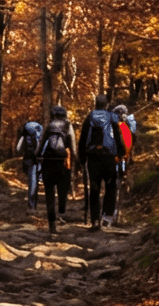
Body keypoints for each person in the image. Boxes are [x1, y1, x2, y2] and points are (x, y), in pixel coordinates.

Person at [78, 99, 120, 229]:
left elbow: (83, 137)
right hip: (109, 157)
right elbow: (117, 135)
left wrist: (81, 157)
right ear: (106, 105)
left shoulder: (89, 117)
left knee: (94, 188)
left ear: (95, 104)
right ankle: (107, 217)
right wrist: (121, 153)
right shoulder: (112, 117)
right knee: (111, 187)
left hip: (93, 157)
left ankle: (95, 220)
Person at [36, 106, 77, 233]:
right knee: (62, 190)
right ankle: (61, 213)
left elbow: (41, 144)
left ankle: (51, 223)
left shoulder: (48, 126)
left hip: (48, 161)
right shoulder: (68, 125)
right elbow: (73, 146)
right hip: (62, 162)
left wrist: (37, 156)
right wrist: (76, 159)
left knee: (49, 193)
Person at [14, 118, 45, 210]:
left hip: (29, 159)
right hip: (39, 160)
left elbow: (18, 148)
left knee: (32, 182)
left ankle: (32, 205)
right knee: (35, 182)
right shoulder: (40, 133)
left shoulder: (25, 135)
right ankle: (34, 202)